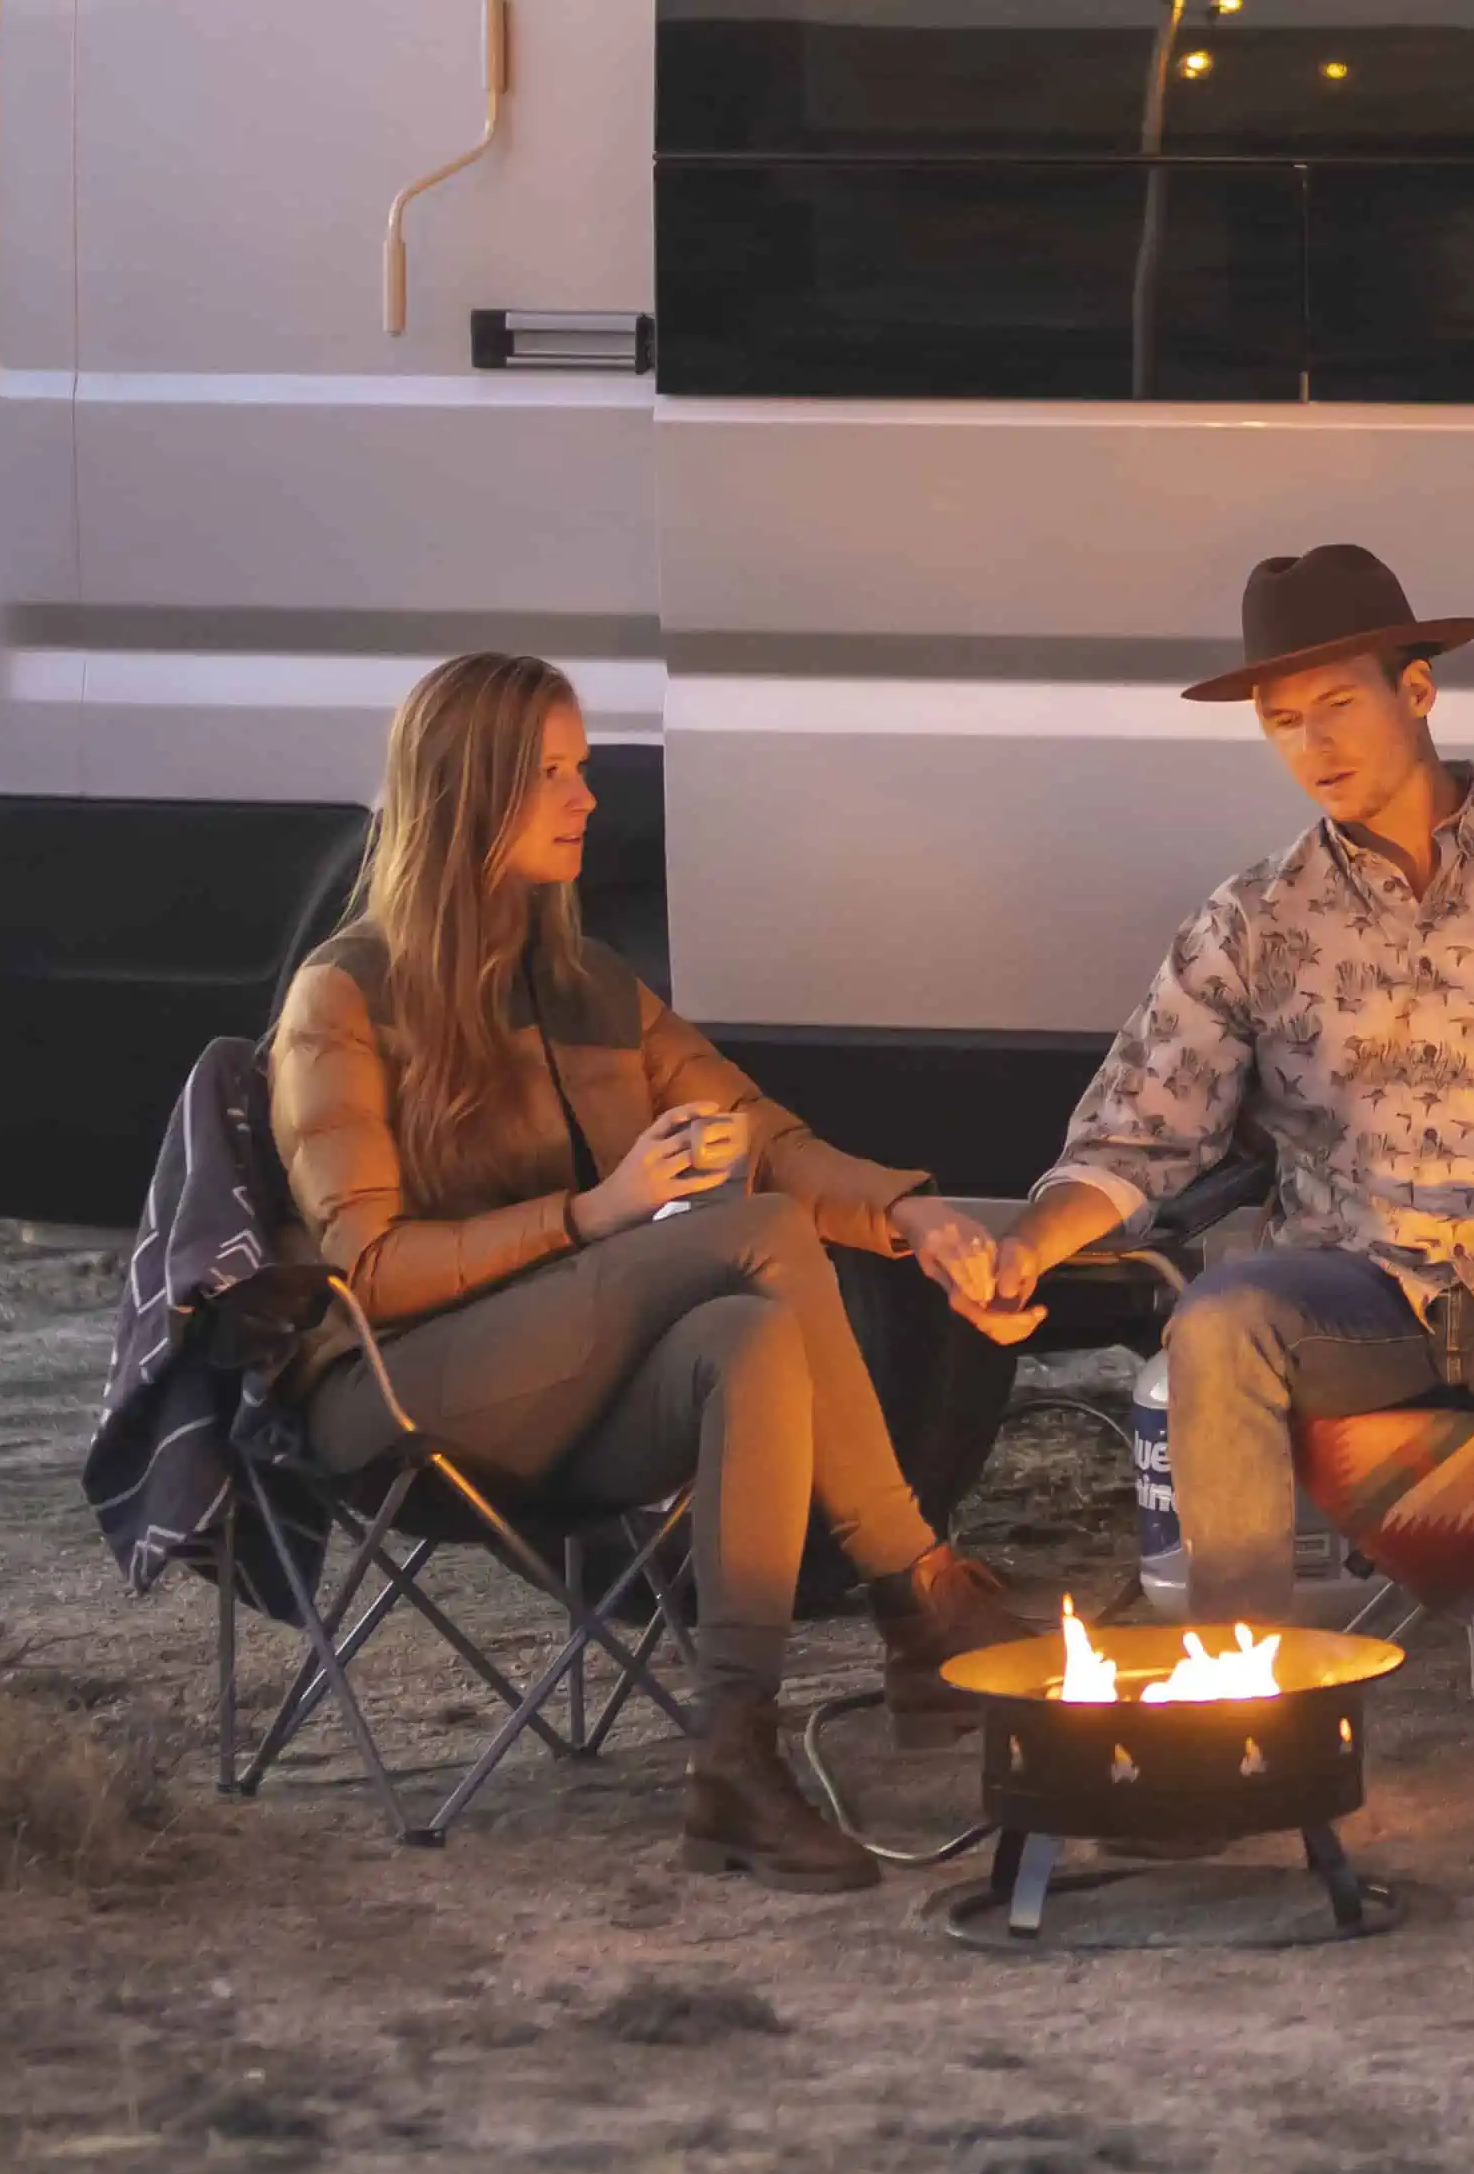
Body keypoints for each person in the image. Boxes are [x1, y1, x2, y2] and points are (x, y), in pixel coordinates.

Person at [950, 545, 1474, 1864]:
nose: (1311, 744)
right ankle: (1242, 1700)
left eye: (1336, 705)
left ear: (1415, 690)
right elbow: (1143, 1124)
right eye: (1281, 720)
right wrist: (1028, 1246)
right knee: (1217, 1318)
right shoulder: (1255, 918)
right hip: (1355, 1296)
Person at [268, 651, 1039, 1890]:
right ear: (468, 790)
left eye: (579, 769)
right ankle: (920, 1592)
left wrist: (915, 1217)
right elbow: (372, 1265)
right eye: (551, 773)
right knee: (755, 1240)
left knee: (748, 1336)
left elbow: (768, 1143)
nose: (586, 798)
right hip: (393, 1392)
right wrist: (595, 1212)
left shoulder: (589, 990)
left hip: (564, 1386)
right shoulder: (345, 997)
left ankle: (735, 1755)